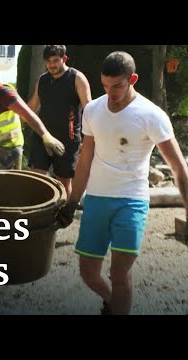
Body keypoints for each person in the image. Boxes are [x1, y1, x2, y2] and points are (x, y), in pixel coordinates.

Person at [56, 51, 188, 315]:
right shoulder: (93, 110)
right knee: (88, 273)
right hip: (96, 199)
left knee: (120, 273)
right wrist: (72, 202)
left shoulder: (152, 115)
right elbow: (84, 160)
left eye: (117, 86)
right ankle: (113, 304)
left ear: (133, 79)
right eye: (105, 86)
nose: (110, 93)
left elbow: (178, 168)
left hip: (132, 201)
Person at [0, 60, 65, 172]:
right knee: (0, 187)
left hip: (8, 149)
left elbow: (27, 114)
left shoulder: (1, 91)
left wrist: (46, 135)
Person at [27, 45, 92, 198]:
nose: (52, 65)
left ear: (64, 59)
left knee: (64, 182)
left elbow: (89, 110)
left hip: (67, 139)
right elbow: (31, 108)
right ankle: (39, 213)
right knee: (36, 178)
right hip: (42, 136)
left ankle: (64, 217)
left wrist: (88, 139)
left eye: (55, 60)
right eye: (48, 61)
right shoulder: (42, 80)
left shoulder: (77, 78)